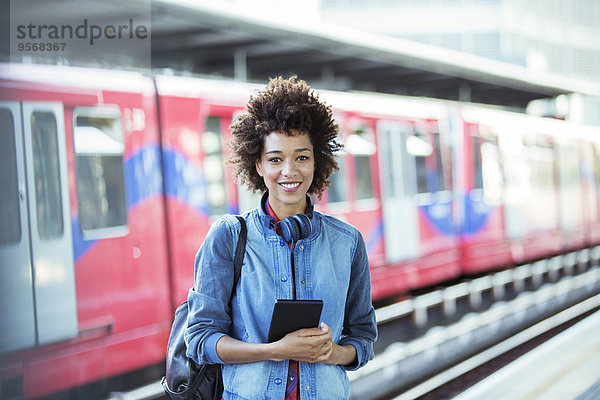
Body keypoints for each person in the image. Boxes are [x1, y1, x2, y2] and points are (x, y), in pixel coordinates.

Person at [185, 76, 377, 400]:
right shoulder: (227, 238)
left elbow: (363, 340)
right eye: (275, 159)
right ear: (258, 164)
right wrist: (275, 350)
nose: (289, 171)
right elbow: (200, 340)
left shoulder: (349, 243)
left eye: (302, 157)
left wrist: (331, 353)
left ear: (317, 161)